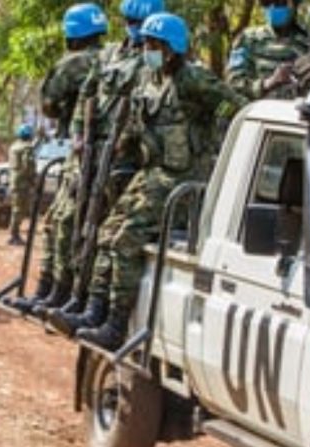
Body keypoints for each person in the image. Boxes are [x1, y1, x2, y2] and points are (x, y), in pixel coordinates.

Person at [51, 12, 247, 351]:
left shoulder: (193, 79)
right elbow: (134, 127)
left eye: (155, 45)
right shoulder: (149, 80)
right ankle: (94, 311)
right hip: (151, 173)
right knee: (106, 232)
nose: (148, 50)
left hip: (181, 177)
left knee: (125, 238)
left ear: (173, 47)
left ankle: (114, 325)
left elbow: (237, 109)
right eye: (146, 44)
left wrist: (215, 142)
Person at [34, 0, 165, 316]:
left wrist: (126, 143)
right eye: (129, 20)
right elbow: (86, 96)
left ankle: (84, 300)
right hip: (91, 152)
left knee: (97, 232)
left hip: (122, 160)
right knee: (70, 222)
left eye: (139, 21)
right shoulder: (108, 56)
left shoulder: (154, 64)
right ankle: (57, 292)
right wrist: (79, 132)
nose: (133, 27)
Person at [12, 2, 109, 312]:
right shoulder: (113, 58)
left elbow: (50, 105)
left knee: (61, 222)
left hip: (78, 151)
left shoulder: (72, 63)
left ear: (72, 35)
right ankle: (54, 292)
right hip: (104, 154)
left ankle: (56, 292)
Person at [226, 0, 310, 100]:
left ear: (294, 5)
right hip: (257, 112)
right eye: (266, 2)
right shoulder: (248, 39)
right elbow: (234, 84)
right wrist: (268, 83)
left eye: (280, 3)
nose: (273, 7)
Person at [7, 124, 37, 246]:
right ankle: (14, 235)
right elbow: (27, 165)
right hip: (22, 182)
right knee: (19, 209)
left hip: (14, 180)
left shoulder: (14, 146)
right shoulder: (27, 148)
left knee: (16, 208)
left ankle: (14, 234)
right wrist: (32, 179)